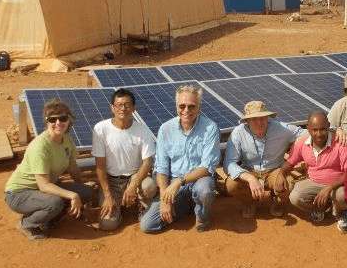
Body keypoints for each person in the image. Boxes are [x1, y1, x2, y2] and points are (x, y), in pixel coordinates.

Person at [4, 98, 94, 240]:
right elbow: (44, 186)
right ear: (47, 122)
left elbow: (72, 166)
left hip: (46, 187)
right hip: (19, 194)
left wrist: (80, 186)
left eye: (62, 118)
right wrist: (72, 195)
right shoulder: (40, 147)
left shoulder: (67, 140)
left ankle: (50, 220)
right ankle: (26, 223)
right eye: (53, 119)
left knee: (86, 192)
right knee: (54, 203)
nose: (58, 123)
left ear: (69, 120)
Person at [139, 85, 220, 233]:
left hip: (199, 180)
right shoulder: (165, 129)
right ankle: (186, 205)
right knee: (147, 226)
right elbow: (161, 168)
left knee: (204, 190)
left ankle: (202, 215)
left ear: (199, 106)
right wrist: (164, 198)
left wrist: (179, 181)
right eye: (182, 106)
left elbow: (208, 167)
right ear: (176, 106)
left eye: (191, 106)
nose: (186, 110)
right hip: (173, 183)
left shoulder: (210, 128)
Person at [224, 101, 306, 218]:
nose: (259, 122)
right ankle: (251, 203)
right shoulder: (238, 133)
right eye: (254, 119)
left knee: (289, 185)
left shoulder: (281, 128)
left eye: (262, 118)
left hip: (275, 169)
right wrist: (250, 178)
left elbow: (308, 133)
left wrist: (335, 131)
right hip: (249, 169)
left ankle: (277, 202)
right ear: (247, 121)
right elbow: (229, 163)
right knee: (231, 185)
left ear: (268, 117)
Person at [92, 88, 157, 231]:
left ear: (133, 109)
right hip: (112, 181)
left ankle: (141, 204)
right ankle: (118, 208)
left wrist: (133, 185)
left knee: (149, 186)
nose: (123, 108)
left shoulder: (142, 130)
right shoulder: (101, 129)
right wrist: (108, 195)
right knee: (108, 225)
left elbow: (147, 161)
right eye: (119, 105)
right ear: (112, 107)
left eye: (127, 105)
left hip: (134, 177)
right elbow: (100, 166)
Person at [283, 110, 347, 224]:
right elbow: (291, 161)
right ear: (308, 128)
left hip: (337, 185)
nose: (319, 134)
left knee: (341, 195)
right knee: (295, 198)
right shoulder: (302, 143)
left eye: (322, 129)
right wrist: (281, 174)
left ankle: (340, 211)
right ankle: (321, 208)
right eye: (315, 130)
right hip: (314, 182)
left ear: (328, 127)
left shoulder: (340, 143)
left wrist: (328, 188)